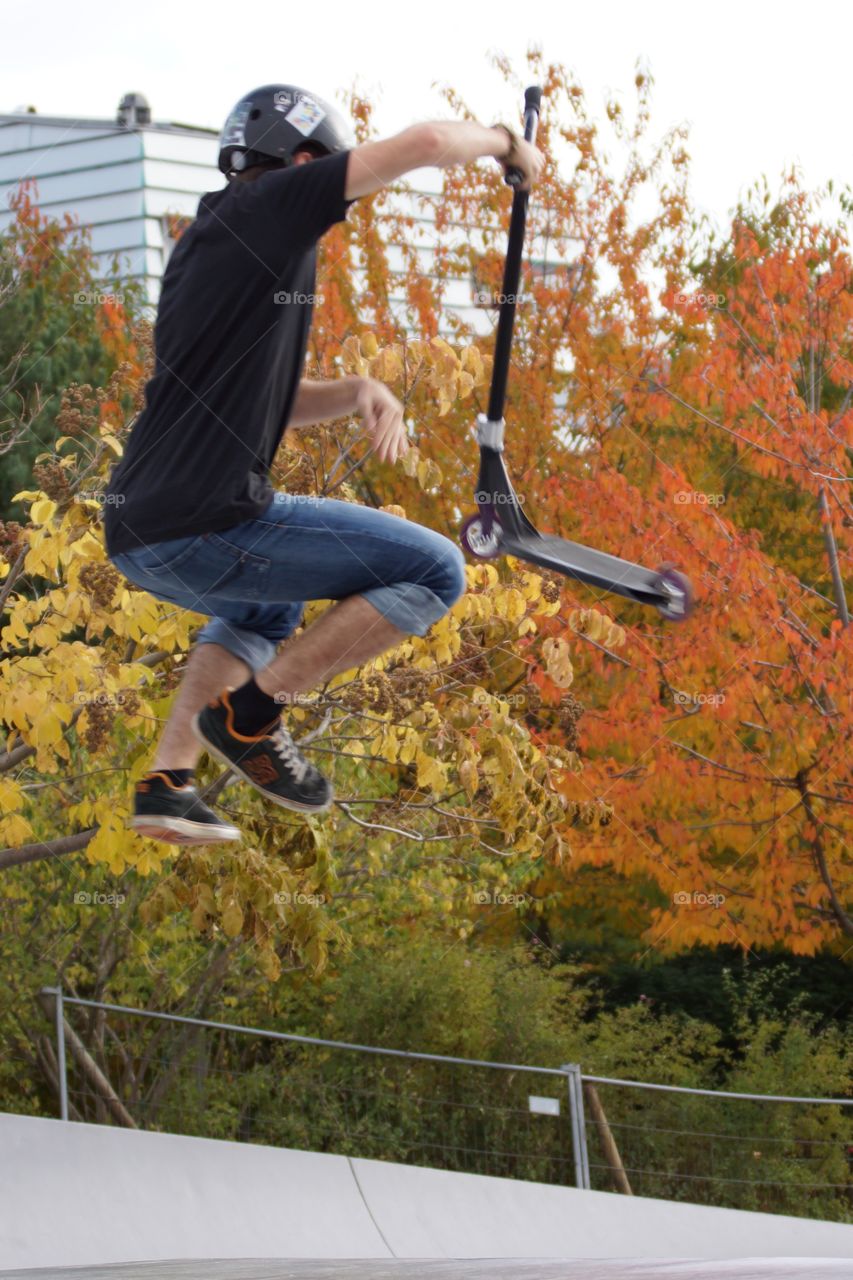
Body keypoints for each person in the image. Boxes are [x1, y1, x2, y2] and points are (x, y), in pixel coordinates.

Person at [102, 83, 544, 845]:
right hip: (208, 521)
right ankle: (249, 719)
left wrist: (359, 390)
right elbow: (427, 146)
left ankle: (168, 781)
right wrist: (510, 144)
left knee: (262, 607)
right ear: (303, 160)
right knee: (437, 571)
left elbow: (265, 400)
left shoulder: (211, 243)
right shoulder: (275, 206)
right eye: (332, 175)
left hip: (141, 533)